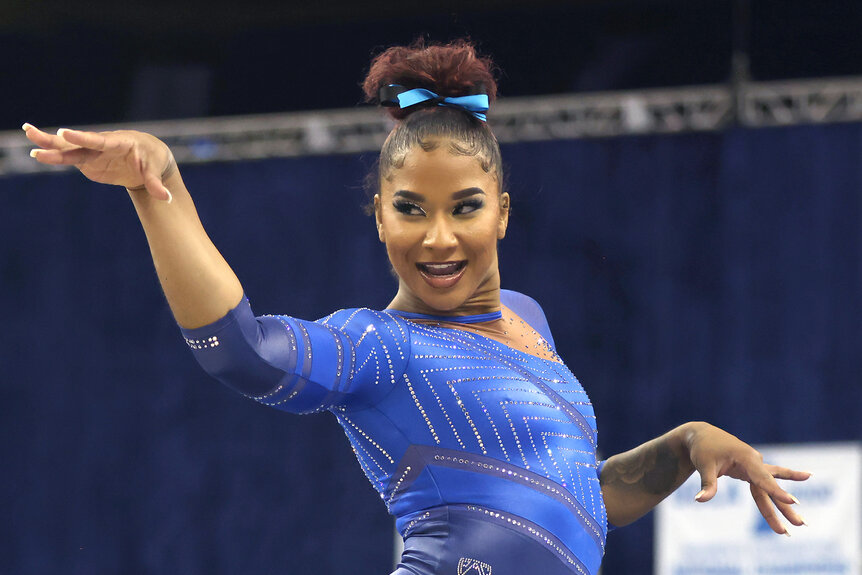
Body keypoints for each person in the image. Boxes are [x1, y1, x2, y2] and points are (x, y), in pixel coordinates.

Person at [24, 39, 809, 575]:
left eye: (464, 207)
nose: (438, 237)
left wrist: (685, 443)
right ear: (378, 215)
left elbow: (580, 500)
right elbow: (243, 352)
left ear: (502, 211)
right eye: (410, 209)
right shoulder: (376, 345)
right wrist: (159, 190)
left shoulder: (530, 319)